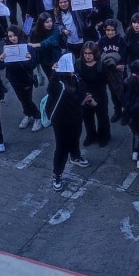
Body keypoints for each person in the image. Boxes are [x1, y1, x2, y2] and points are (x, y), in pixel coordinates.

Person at [45, 56, 89, 191]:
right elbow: (50, 90)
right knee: (62, 148)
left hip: (75, 117)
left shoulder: (76, 79)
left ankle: (75, 156)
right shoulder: (57, 84)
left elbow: (81, 93)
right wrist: (53, 72)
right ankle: (57, 175)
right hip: (61, 121)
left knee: (75, 138)